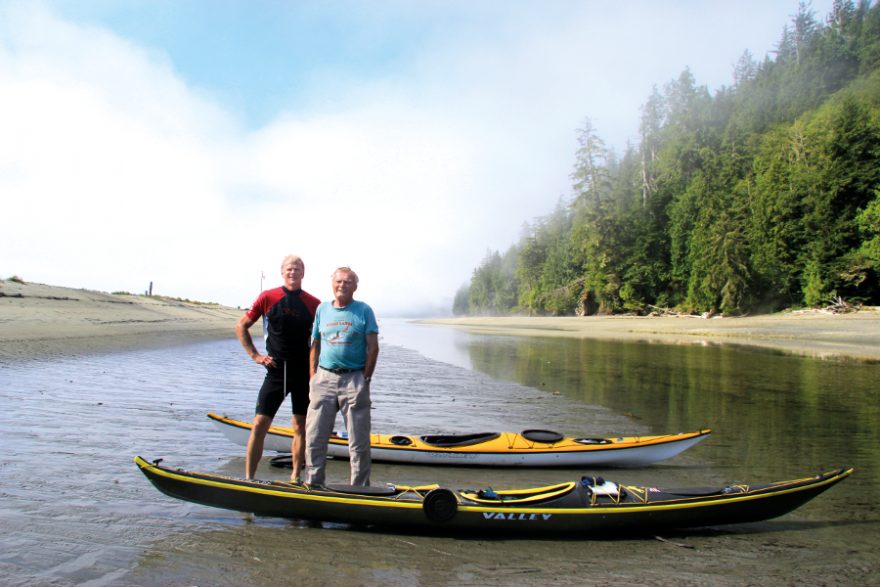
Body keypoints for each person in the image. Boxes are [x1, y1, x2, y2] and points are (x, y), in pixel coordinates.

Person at [236, 255, 320, 481]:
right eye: (289, 269)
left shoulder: (314, 304)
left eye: (298, 269)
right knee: (259, 424)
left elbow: (319, 339)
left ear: (304, 273)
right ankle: (249, 479)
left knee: (300, 426)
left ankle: (295, 478)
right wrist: (255, 356)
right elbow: (241, 326)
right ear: (282, 272)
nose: (293, 272)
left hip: (303, 372)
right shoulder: (268, 297)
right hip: (276, 370)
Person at [304, 267, 379, 487]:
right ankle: (313, 485)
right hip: (324, 378)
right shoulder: (322, 309)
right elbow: (315, 344)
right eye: (338, 281)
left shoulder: (364, 311)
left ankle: (360, 490)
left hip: (354, 379)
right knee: (315, 438)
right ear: (332, 283)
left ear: (355, 286)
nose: (342, 285)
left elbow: (373, 348)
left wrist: (365, 378)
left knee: (358, 442)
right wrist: (312, 376)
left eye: (348, 282)